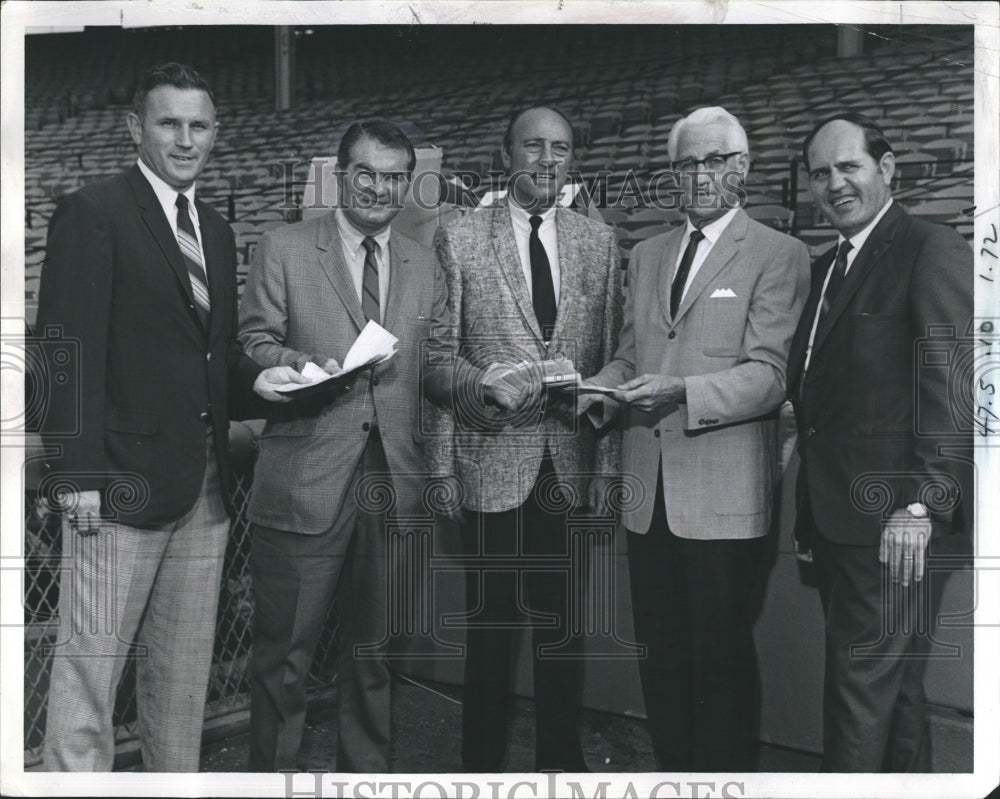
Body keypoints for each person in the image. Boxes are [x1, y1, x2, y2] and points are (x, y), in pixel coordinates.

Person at [34, 62, 302, 772]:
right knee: (90, 682)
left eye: (199, 125)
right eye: (169, 123)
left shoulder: (212, 226)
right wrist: (76, 475)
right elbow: (65, 351)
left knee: (180, 688)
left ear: (215, 133)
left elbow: (205, 357)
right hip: (114, 488)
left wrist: (259, 380)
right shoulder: (93, 211)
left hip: (204, 491)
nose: (186, 139)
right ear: (135, 128)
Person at [586, 106, 810, 771]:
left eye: (715, 160)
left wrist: (682, 392)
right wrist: (600, 388)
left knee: (720, 660)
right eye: (687, 163)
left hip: (725, 498)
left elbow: (770, 377)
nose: (701, 174)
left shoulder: (779, 252)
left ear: (742, 168)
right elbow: (632, 354)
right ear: (672, 174)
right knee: (661, 653)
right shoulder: (648, 253)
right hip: (648, 494)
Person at [238, 119, 450, 773]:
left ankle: (367, 781)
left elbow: (434, 362)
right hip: (306, 475)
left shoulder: (423, 260)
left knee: (377, 654)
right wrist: (308, 366)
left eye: (394, 177)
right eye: (367, 173)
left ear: (408, 184)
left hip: (393, 482)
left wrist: (479, 381)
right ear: (340, 174)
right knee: (283, 658)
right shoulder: (284, 245)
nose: (380, 188)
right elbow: (254, 341)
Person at [424, 106, 622, 773]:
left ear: (573, 159)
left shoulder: (599, 242)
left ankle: (560, 770)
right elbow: (436, 361)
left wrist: (609, 468)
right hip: (490, 460)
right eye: (532, 145)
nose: (546, 159)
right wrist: (477, 396)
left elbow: (613, 360)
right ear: (505, 153)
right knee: (491, 633)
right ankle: (480, 769)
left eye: (560, 148)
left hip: (568, 462)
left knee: (562, 633)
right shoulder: (460, 237)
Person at [786, 112, 973, 772]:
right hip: (839, 521)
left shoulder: (929, 247)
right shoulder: (827, 264)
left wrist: (921, 506)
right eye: (820, 173)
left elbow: (952, 388)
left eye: (849, 167)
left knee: (857, 697)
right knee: (890, 695)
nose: (833, 183)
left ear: (887, 168)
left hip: (892, 520)